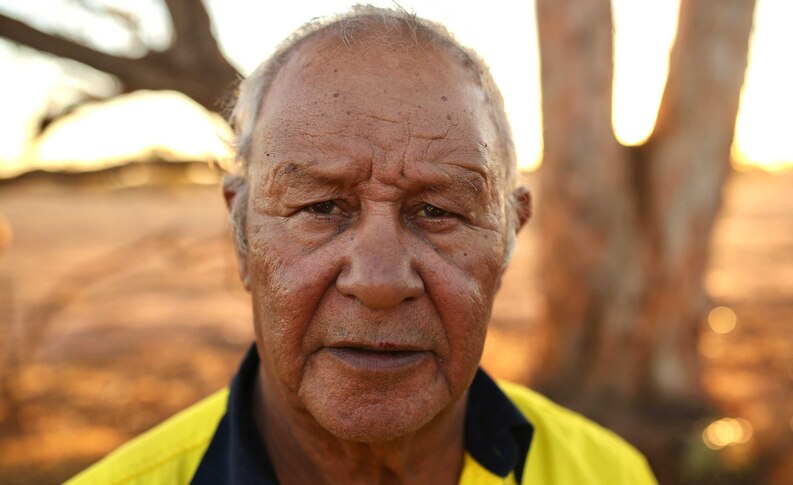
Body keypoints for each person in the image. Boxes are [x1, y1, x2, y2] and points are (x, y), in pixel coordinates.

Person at [67, 6, 656, 484]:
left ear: (508, 238)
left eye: (437, 211)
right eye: (320, 207)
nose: (379, 282)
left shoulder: (608, 472)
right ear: (243, 236)